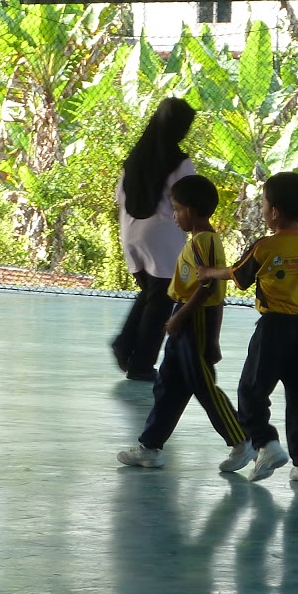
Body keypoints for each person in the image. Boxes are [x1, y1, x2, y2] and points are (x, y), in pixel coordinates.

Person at [116, 174, 249, 471]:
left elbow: (210, 290)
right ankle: (150, 446)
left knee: (202, 385)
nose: (174, 216)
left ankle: (242, 440)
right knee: (168, 385)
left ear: (190, 210)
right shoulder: (200, 241)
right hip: (186, 317)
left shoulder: (205, 242)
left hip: (193, 319)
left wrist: (181, 318)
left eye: (176, 210)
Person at [199, 171, 298, 484]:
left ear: (274, 212)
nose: (264, 210)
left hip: (274, 329)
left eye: (265, 204)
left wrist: (208, 272)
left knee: (252, 391)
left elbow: (238, 275)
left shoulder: (265, 247)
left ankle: (266, 443)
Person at [112, 97, 197, 381]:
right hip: (162, 234)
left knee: (151, 292)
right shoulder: (181, 162)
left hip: (130, 231)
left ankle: (125, 344)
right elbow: (187, 199)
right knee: (162, 299)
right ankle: (141, 365)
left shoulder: (134, 157)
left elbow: (119, 197)